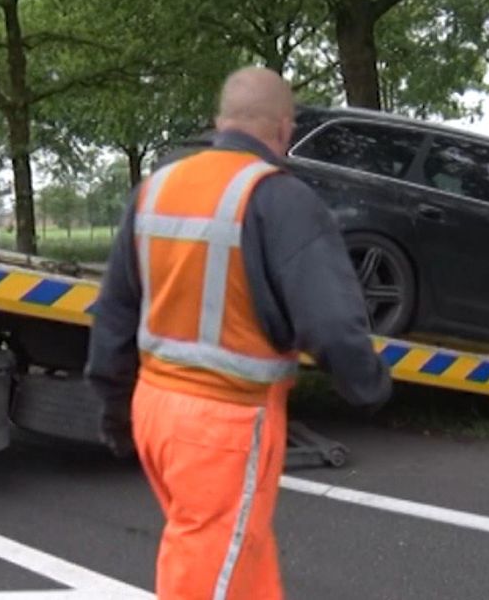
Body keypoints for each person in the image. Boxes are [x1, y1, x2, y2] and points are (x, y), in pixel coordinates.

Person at [86, 66, 392, 600]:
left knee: (239, 561)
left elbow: (112, 315)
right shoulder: (281, 199)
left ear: (219, 121)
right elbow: (331, 324)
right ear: (283, 128)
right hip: (224, 424)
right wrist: (370, 387)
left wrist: (116, 412)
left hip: (157, 410)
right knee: (209, 576)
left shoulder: (154, 190)